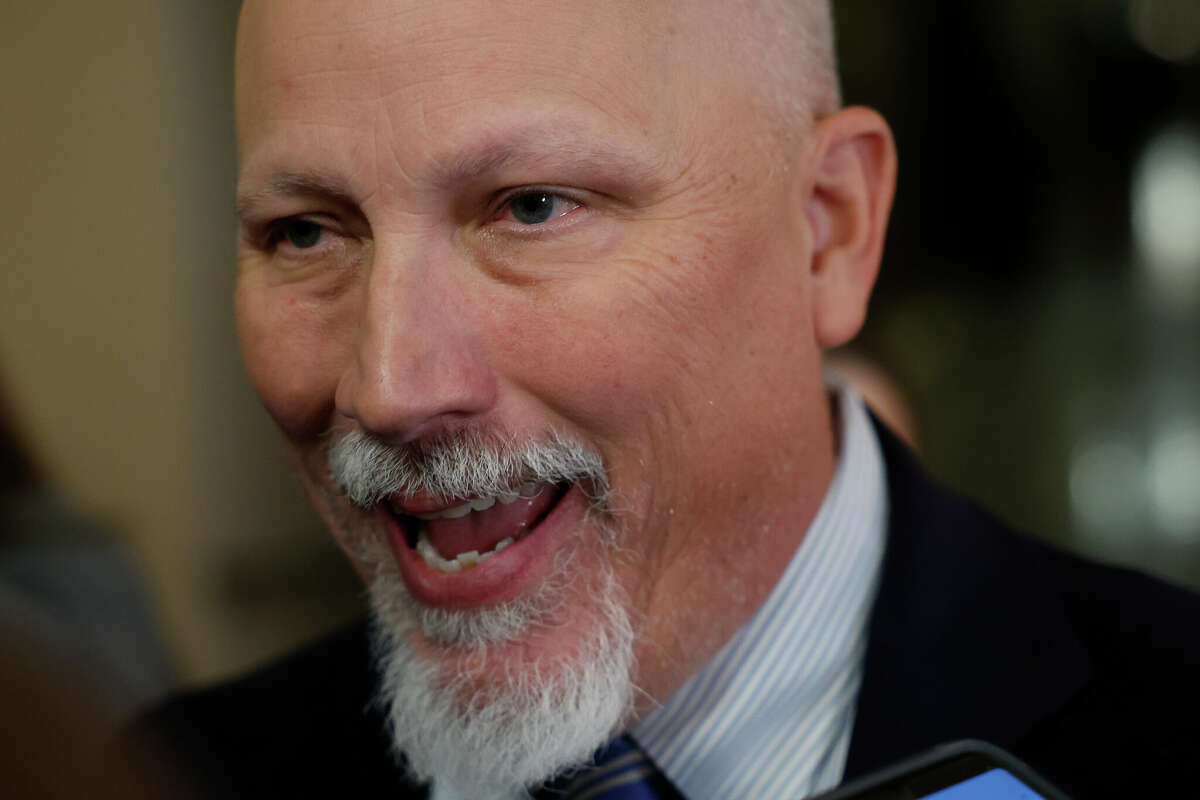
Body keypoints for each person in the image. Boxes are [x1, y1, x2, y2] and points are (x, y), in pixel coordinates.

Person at [136, 1, 1200, 798]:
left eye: (533, 207)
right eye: (306, 232)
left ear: (828, 226)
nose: (391, 386)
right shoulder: (161, 775)